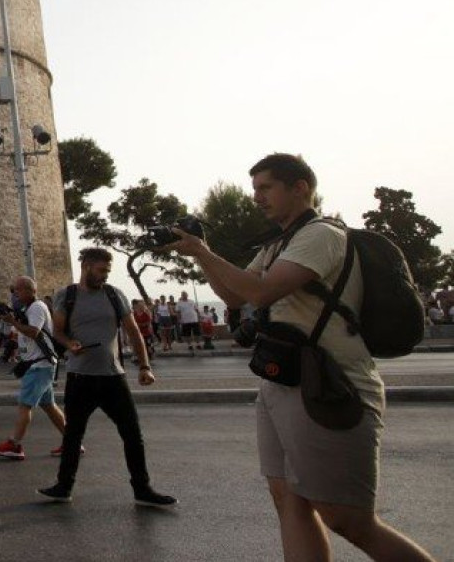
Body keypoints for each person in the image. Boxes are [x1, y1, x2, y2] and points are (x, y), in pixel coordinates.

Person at [168, 153, 435, 561]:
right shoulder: (280, 243)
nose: (257, 197)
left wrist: (204, 251)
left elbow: (261, 293)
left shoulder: (320, 235)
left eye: (266, 188)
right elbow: (235, 295)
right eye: (254, 189)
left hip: (329, 384)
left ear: (300, 188)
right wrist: (200, 255)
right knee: (289, 500)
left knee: (349, 520)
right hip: (282, 379)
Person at [37, 248, 174, 508]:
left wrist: (144, 366)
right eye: (101, 270)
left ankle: (142, 489)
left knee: (132, 435)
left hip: (113, 377)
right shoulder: (66, 295)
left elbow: (133, 331)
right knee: (73, 435)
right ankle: (63, 487)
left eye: (108, 271)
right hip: (80, 377)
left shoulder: (114, 294)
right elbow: (58, 331)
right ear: (86, 267)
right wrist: (70, 344)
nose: (105, 275)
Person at [0, 277, 68, 461]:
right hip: (38, 364)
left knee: (25, 405)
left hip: (39, 365)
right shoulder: (28, 309)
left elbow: (34, 331)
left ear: (30, 290)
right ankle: (72, 442)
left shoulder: (37, 308)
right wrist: (11, 319)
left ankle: (15, 445)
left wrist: (13, 322)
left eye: (17, 290)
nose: (14, 295)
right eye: (13, 291)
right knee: (49, 406)